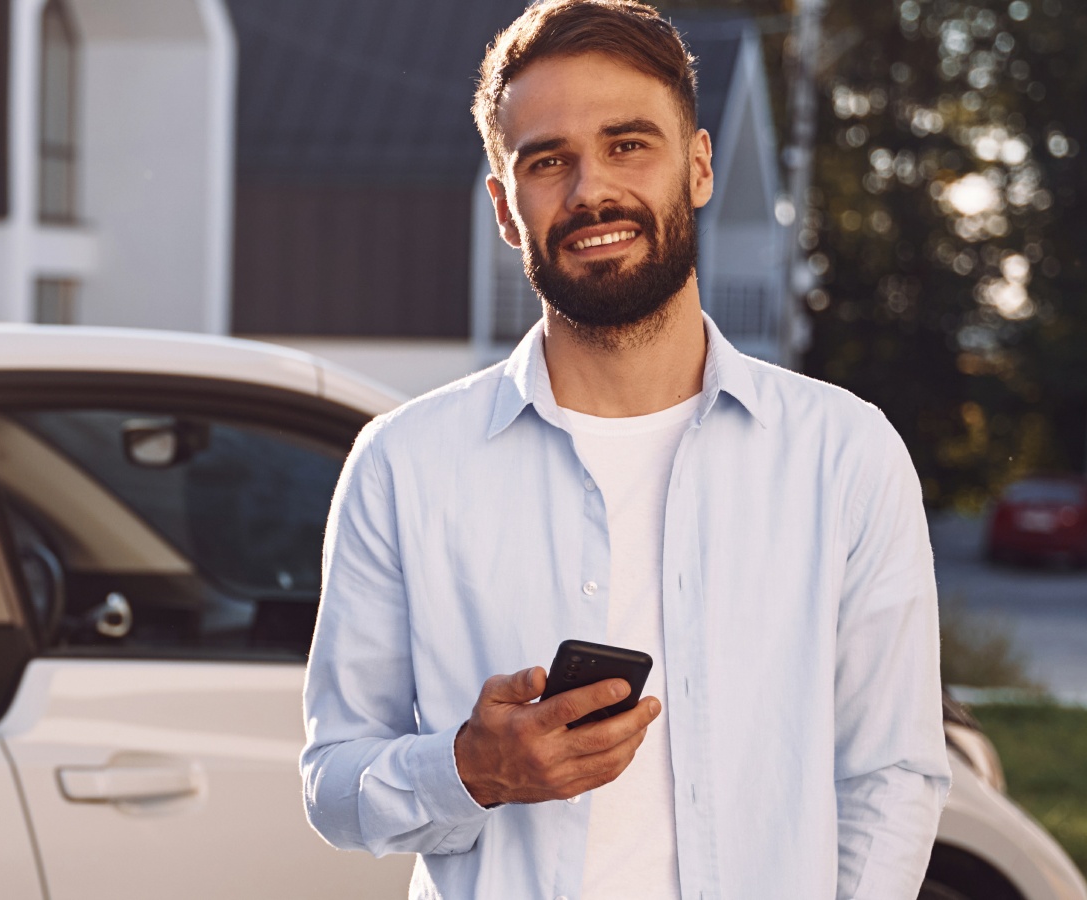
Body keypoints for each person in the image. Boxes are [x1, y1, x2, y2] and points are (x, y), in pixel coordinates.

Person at [297, 2, 949, 898]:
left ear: (700, 166)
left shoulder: (844, 455)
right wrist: (471, 769)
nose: (590, 191)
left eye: (629, 144)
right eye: (548, 161)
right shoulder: (402, 464)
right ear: (504, 205)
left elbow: (890, 774)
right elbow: (333, 782)